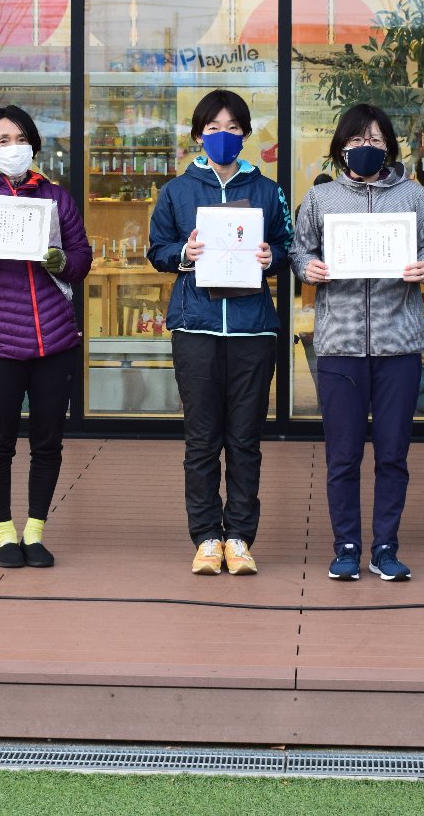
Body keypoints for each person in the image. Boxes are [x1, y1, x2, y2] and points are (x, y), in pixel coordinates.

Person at [290, 103, 424, 582]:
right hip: (339, 344)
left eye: (376, 141)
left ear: (389, 148)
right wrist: (308, 268)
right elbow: (299, 250)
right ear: (341, 148)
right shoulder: (322, 198)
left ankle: (384, 547)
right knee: (343, 455)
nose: (366, 148)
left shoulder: (412, 195)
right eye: (357, 140)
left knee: (393, 454)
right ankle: (346, 547)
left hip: (399, 344)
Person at [148, 89, 293, 576]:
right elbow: (157, 250)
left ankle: (240, 538)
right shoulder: (176, 191)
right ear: (198, 136)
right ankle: (208, 537)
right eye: (213, 128)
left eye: (233, 128)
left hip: (253, 330)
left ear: (245, 135)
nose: (223, 136)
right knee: (202, 440)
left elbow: (289, 246)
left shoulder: (269, 190)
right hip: (196, 327)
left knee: (246, 440)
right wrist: (182, 254)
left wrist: (273, 256)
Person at [0, 105, 93, 568]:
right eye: (3, 141)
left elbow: (81, 258)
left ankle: (34, 531)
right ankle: (4, 534)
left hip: (55, 339)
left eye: (21, 138)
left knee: (48, 442)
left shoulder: (56, 197)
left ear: (34, 143)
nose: (14, 147)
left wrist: (62, 262)